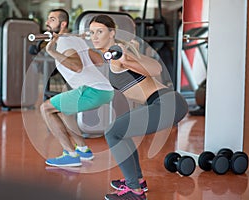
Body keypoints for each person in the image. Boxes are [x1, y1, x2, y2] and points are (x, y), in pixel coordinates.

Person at [89, 14, 189, 200]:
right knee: (121, 131)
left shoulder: (120, 53)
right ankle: (137, 181)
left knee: (113, 132)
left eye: (99, 31)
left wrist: (127, 61)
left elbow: (156, 69)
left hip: (166, 102)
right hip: (165, 102)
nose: (94, 36)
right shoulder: (118, 52)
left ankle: (134, 191)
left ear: (112, 33)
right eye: (91, 32)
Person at [40, 9, 114, 167]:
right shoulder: (73, 40)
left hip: (93, 90)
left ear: (63, 24)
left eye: (52, 19)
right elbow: (99, 61)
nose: (47, 23)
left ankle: (70, 154)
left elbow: (77, 66)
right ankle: (82, 149)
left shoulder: (64, 42)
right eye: (48, 19)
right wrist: (83, 45)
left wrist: (53, 52)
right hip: (104, 89)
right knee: (65, 111)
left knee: (45, 108)